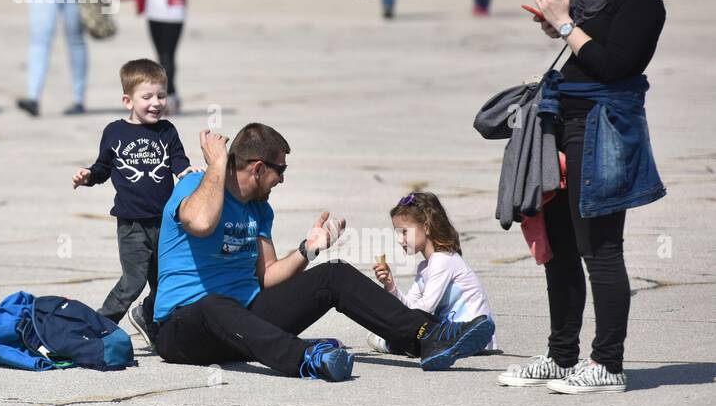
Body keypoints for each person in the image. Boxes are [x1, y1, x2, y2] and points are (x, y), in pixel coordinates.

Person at [152, 124, 496, 381]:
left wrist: (308, 250)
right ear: (257, 168)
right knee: (216, 304)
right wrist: (216, 165)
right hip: (184, 329)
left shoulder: (259, 211)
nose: (282, 180)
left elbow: (268, 276)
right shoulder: (194, 187)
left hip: (245, 322)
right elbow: (200, 223)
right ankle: (306, 358)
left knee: (333, 274)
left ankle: (426, 336)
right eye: (280, 170)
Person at [508, 0, 666, 393]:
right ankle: (562, 356)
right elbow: (584, 47)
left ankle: (608, 364)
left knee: (599, 247)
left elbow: (613, 63)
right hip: (565, 125)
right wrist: (560, 22)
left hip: (604, 131)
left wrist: (564, 25)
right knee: (557, 246)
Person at [72, 59, 193, 347]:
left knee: (165, 281)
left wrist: (186, 172)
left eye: (161, 96)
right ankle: (99, 326)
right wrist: (88, 175)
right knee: (134, 280)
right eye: (147, 97)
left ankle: (147, 317)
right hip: (131, 224)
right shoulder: (115, 132)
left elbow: (179, 160)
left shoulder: (167, 131)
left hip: (165, 222)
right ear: (128, 100)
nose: (156, 103)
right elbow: (102, 168)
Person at [369, 191, 497, 353]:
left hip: (470, 335)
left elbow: (425, 308)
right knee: (400, 334)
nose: (400, 240)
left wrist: (396, 329)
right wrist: (390, 285)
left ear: (426, 227)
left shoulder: (443, 260)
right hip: (451, 335)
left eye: (404, 232)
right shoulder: (426, 266)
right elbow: (411, 307)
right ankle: (393, 343)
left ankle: (390, 344)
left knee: (394, 337)